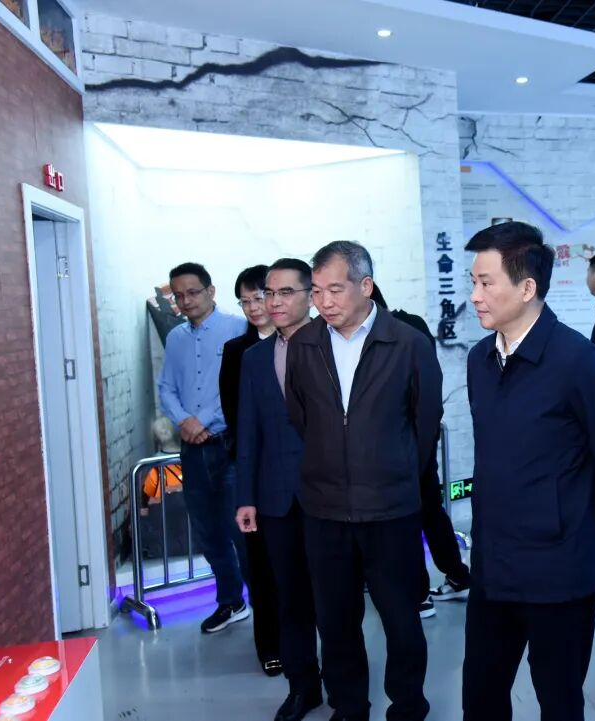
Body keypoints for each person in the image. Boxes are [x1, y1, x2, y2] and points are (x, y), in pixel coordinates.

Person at [462, 221, 595, 721]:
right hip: (492, 565)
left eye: (485, 282)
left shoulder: (577, 360)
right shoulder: (480, 359)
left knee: (559, 700)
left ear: (526, 288)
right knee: (480, 696)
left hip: (558, 568)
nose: (474, 295)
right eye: (473, 282)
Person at [285, 241, 442, 721]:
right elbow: (301, 417)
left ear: (365, 286)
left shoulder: (408, 343)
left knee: (401, 618)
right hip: (324, 509)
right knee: (335, 621)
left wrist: (391, 469)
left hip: (390, 509)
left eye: (335, 289)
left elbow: (424, 425)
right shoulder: (304, 345)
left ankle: (408, 705)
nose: (324, 301)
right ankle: (349, 706)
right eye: (317, 291)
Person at [235, 258, 323, 721]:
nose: (274, 301)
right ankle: (302, 687)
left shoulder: (335, 345)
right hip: (275, 498)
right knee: (289, 599)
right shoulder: (254, 359)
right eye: (269, 293)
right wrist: (246, 497)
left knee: (336, 600)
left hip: (330, 496)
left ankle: (347, 690)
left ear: (311, 295)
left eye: (286, 292)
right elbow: (248, 432)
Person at [157, 262, 250, 633]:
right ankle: (231, 601)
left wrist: (203, 420)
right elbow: (166, 388)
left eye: (193, 292)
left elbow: (239, 386)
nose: (185, 301)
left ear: (211, 292)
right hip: (193, 450)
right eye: (179, 296)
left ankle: (269, 610)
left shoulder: (237, 328)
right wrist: (184, 421)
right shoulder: (175, 338)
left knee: (241, 531)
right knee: (208, 532)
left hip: (228, 446)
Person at [370, 283, 472, 619]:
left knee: (407, 516)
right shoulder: (412, 325)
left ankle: (418, 594)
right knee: (429, 508)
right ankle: (457, 576)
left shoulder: (399, 333)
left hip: (401, 443)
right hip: (417, 440)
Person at [218, 265, 281, 676]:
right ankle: (269, 646)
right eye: (244, 301)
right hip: (255, 471)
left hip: (301, 474)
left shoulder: (305, 341)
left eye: (259, 297)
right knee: (260, 564)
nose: (253, 307)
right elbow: (234, 415)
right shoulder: (237, 351)